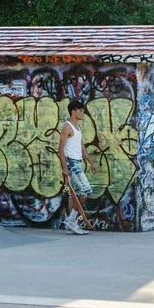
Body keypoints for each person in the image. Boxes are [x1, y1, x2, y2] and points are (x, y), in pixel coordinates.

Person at [58, 100, 97, 235]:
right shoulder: (67, 127)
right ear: (73, 111)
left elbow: (82, 148)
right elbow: (60, 150)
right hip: (71, 164)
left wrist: (91, 162)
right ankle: (71, 221)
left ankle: (71, 222)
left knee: (75, 194)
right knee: (83, 193)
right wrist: (64, 168)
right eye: (80, 110)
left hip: (78, 163)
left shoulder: (77, 128)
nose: (82, 112)